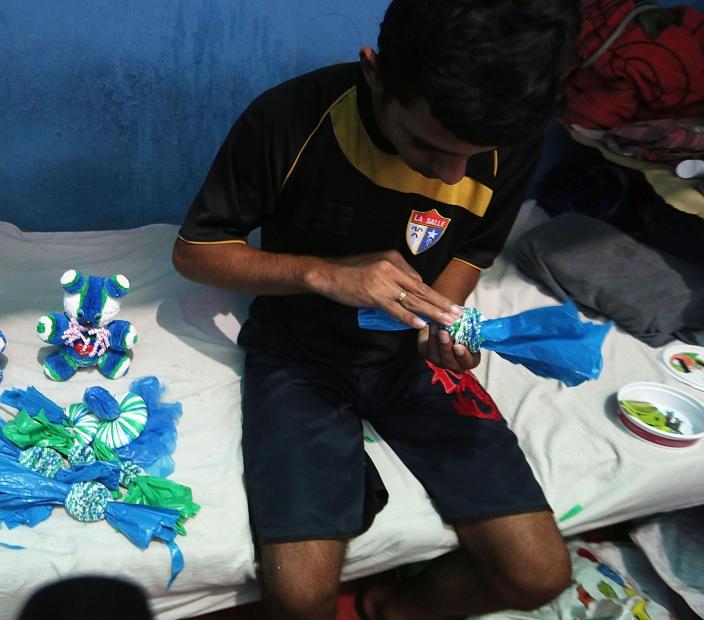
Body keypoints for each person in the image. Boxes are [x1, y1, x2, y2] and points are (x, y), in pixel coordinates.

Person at [172, 1, 582, 619]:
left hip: (412, 359)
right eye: (426, 144)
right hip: (298, 354)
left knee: (539, 574)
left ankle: (391, 608)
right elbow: (197, 253)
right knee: (301, 599)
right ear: (375, 72)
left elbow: (474, 247)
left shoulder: (503, 130)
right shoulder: (290, 117)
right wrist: (322, 273)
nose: (451, 174)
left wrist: (443, 316)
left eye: (470, 156)